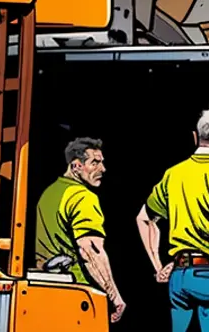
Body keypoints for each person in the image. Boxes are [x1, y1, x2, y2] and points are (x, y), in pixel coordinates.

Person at [136, 105, 209, 331]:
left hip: (178, 278)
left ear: (196, 137)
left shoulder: (173, 174)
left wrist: (159, 266)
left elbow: (144, 219)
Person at [34, 137, 125, 322]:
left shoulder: (49, 193)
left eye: (102, 163)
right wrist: (115, 297)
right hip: (77, 294)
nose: (103, 169)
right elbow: (90, 250)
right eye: (95, 163)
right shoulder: (82, 196)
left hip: (44, 290)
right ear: (76, 166)